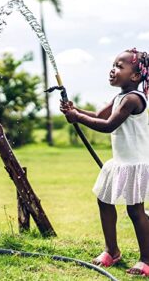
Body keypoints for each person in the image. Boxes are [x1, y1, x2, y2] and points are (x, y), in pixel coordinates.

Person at [60, 48, 149, 276]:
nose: (113, 70)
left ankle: (146, 260)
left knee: (135, 210)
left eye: (120, 66)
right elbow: (100, 115)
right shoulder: (120, 97)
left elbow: (108, 125)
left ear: (135, 76)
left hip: (135, 164)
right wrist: (75, 109)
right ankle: (112, 250)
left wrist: (77, 118)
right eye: (113, 65)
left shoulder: (133, 99)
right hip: (120, 162)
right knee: (104, 201)